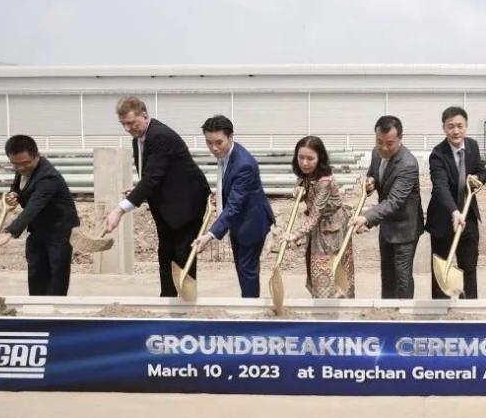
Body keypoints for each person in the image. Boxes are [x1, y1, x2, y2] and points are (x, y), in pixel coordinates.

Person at [102, 96, 210, 297]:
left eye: (131, 123)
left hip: (187, 204)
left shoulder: (160, 136)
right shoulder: (139, 139)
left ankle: (185, 302)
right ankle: (167, 297)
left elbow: (152, 178)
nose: (127, 128)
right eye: (123, 124)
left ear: (144, 115)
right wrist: (138, 191)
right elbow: (153, 175)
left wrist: (119, 210)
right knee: (165, 253)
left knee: (182, 254)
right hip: (166, 203)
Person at [191, 115, 275, 298]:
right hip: (239, 219)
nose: (214, 148)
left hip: (252, 222)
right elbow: (230, 185)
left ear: (230, 137)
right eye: (209, 142)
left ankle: (250, 307)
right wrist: (220, 197)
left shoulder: (244, 165)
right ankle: (248, 301)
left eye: (218, 142)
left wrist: (210, 235)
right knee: (243, 267)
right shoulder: (227, 154)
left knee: (247, 270)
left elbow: (235, 206)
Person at [0, 135, 79, 296]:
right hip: (38, 227)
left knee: (56, 274)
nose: (21, 168)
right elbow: (18, 185)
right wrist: (14, 194)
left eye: (25, 163)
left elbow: (33, 207)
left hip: (59, 231)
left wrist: (8, 233)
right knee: (36, 268)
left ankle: (54, 308)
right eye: (15, 164)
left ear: (36, 155)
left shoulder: (48, 178)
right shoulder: (22, 168)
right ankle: (36, 304)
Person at [351, 115, 424, 299]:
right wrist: (370, 183)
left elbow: (394, 201)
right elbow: (373, 176)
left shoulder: (408, 164)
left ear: (400, 138)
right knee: (387, 276)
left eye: (389, 143)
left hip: (405, 229)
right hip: (386, 224)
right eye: (379, 142)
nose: (383, 148)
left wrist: (366, 218)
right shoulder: (376, 154)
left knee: (402, 278)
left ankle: (404, 313)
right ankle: (387, 312)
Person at [425, 107, 486, 299]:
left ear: (466, 127)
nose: (455, 131)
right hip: (444, 219)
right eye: (450, 126)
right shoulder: (437, 154)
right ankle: (440, 310)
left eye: (460, 126)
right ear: (444, 128)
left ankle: (469, 308)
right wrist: (454, 212)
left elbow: (482, 171)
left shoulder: (473, 146)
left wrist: (478, 179)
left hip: (468, 217)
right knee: (442, 268)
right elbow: (441, 187)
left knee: (469, 266)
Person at [282, 135, 356, 298]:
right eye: (301, 157)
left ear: (320, 158)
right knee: (317, 269)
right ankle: (321, 302)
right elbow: (302, 190)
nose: (304, 163)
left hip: (332, 229)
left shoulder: (324, 181)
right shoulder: (305, 174)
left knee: (331, 270)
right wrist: (299, 192)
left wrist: (295, 234)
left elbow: (315, 214)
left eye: (310, 159)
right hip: (316, 228)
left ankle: (334, 306)